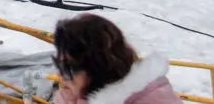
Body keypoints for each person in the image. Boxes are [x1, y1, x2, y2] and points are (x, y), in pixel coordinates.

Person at [52, 14, 181, 104]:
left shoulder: (151, 100)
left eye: (67, 68)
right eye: (58, 64)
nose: (59, 74)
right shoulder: (72, 97)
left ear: (98, 69)